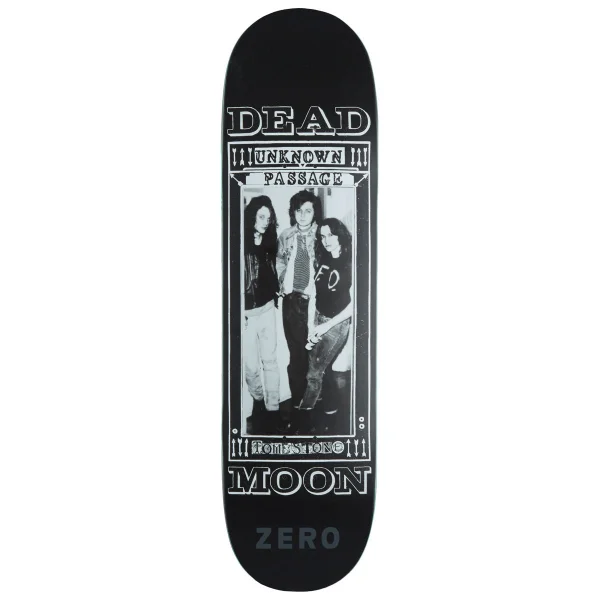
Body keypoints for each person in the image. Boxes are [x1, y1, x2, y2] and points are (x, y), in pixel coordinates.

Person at [294, 218, 353, 434]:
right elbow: (314, 294)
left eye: (330, 235)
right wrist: (312, 325)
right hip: (318, 319)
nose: (326, 240)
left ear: (340, 235)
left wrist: (324, 327)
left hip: (337, 325)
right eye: (322, 236)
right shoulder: (323, 258)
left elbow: (354, 306)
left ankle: (304, 419)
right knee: (320, 370)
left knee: (314, 373)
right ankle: (331, 413)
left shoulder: (351, 262)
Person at [276, 190, 323, 423]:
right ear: (293, 213)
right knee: (296, 356)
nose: (303, 215)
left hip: (313, 302)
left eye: (308, 211)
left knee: (314, 356)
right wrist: (281, 283)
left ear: (314, 213)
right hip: (291, 302)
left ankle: (312, 407)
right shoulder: (286, 235)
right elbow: (279, 261)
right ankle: (297, 406)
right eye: (298, 211)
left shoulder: (322, 234)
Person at [243, 196, 280, 434]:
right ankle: (258, 402)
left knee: (270, 361)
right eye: (261, 216)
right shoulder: (238, 241)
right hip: (247, 314)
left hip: (267, 310)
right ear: (252, 216)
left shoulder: (269, 240)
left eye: (269, 217)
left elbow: (273, 270)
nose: (266, 221)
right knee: (250, 366)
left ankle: (273, 409)